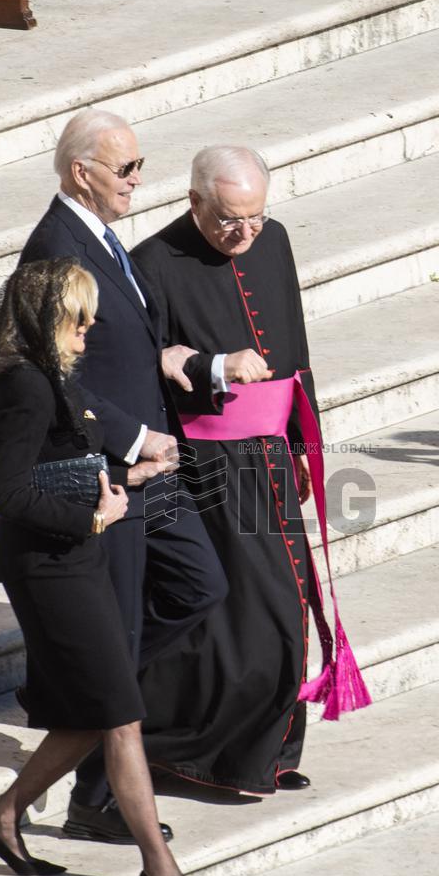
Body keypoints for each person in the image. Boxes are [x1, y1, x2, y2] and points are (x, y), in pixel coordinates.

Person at [0, 258, 234, 876]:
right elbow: (11, 492)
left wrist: (127, 476)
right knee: (119, 715)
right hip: (49, 569)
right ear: (48, 319)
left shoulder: (54, 379)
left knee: (89, 715)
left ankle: (1, 819)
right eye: (78, 319)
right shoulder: (24, 385)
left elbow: (64, 467)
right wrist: (90, 516)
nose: (88, 332)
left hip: (76, 562)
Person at [19, 110, 228, 843]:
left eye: (140, 165)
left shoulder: (100, 237)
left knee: (200, 584)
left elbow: (120, 343)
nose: (139, 181)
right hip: (109, 470)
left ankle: (80, 700)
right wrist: (134, 434)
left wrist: (170, 363)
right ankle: (96, 795)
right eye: (127, 168)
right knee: (128, 621)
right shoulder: (54, 246)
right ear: (83, 172)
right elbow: (53, 372)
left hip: (150, 466)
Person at [130, 146, 325, 796]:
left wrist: (302, 440)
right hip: (209, 463)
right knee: (254, 614)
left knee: (286, 604)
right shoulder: (153, 262)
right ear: (194, 202)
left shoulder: (275, 243)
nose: (244, 233)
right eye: (229, 220)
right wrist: (210, 366)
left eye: (255, 218)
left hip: (270, 451)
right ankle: (193, 749)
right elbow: (135, 363)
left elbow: (293, 347)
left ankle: (266, 753)